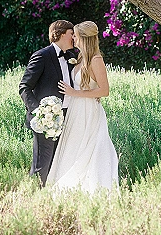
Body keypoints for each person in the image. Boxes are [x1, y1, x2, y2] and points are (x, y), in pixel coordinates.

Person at [47, 21, 119, 193]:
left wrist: (74, 93)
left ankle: (87, 186)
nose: (74, 39)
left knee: (88, 148)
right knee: (73, 147)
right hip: (76, 110)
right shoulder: (80, 58)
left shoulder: (96, 60)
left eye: (76, 36)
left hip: (88, 111)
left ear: (84, 39)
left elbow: (104, 91)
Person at [19, 20, 78, 186]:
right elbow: (24, 87)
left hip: (69, 115)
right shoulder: (42, 56)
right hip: (47, 118)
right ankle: (34, 198)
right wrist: (39, 112)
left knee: (60, 160)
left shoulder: (72, 56)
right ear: (59, 34)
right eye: (70, 33)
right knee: (42, 162)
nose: (74, 37)